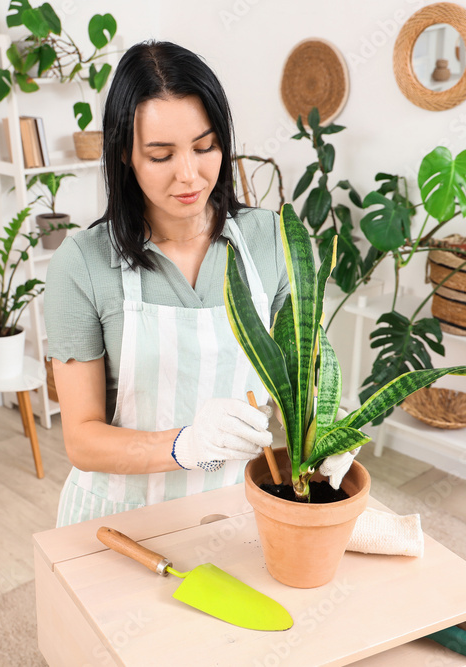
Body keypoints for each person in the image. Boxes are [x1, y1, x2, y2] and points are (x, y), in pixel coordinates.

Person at [44, 41, 351, 528]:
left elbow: (304, 378)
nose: (190, 175)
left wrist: (327, 432)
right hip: (118, 520)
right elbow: (81, 440)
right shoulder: (82, 264)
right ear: (125, 153)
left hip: (236, 511)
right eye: (161, 155)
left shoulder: (272, 241)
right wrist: (184, 444)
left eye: (205, 147)